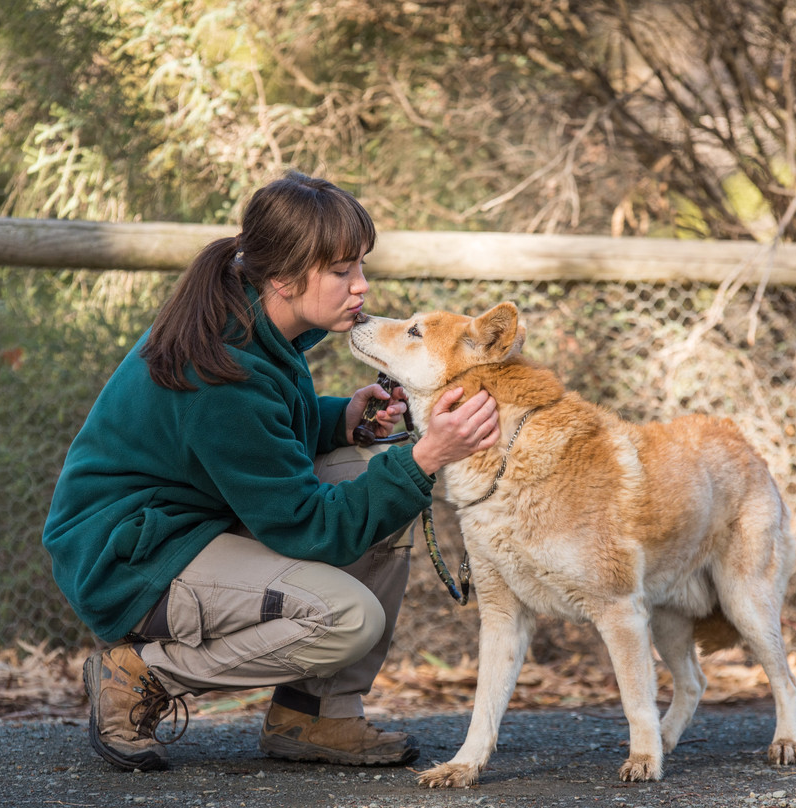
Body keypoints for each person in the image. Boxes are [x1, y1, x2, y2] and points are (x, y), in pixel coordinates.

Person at [42, 171, 500, 773]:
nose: (362, 287)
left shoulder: (254, 319)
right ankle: (141, 673)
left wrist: (342, 420)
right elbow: (305, 526)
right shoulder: (223, 369)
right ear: (283, 278)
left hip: (187, 524)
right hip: (130, 559)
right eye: (342, 271)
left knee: (363, 465)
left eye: (360, 265)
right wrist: (425, 457)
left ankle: (316, 716)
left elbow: (254, 441)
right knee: (346, 617)